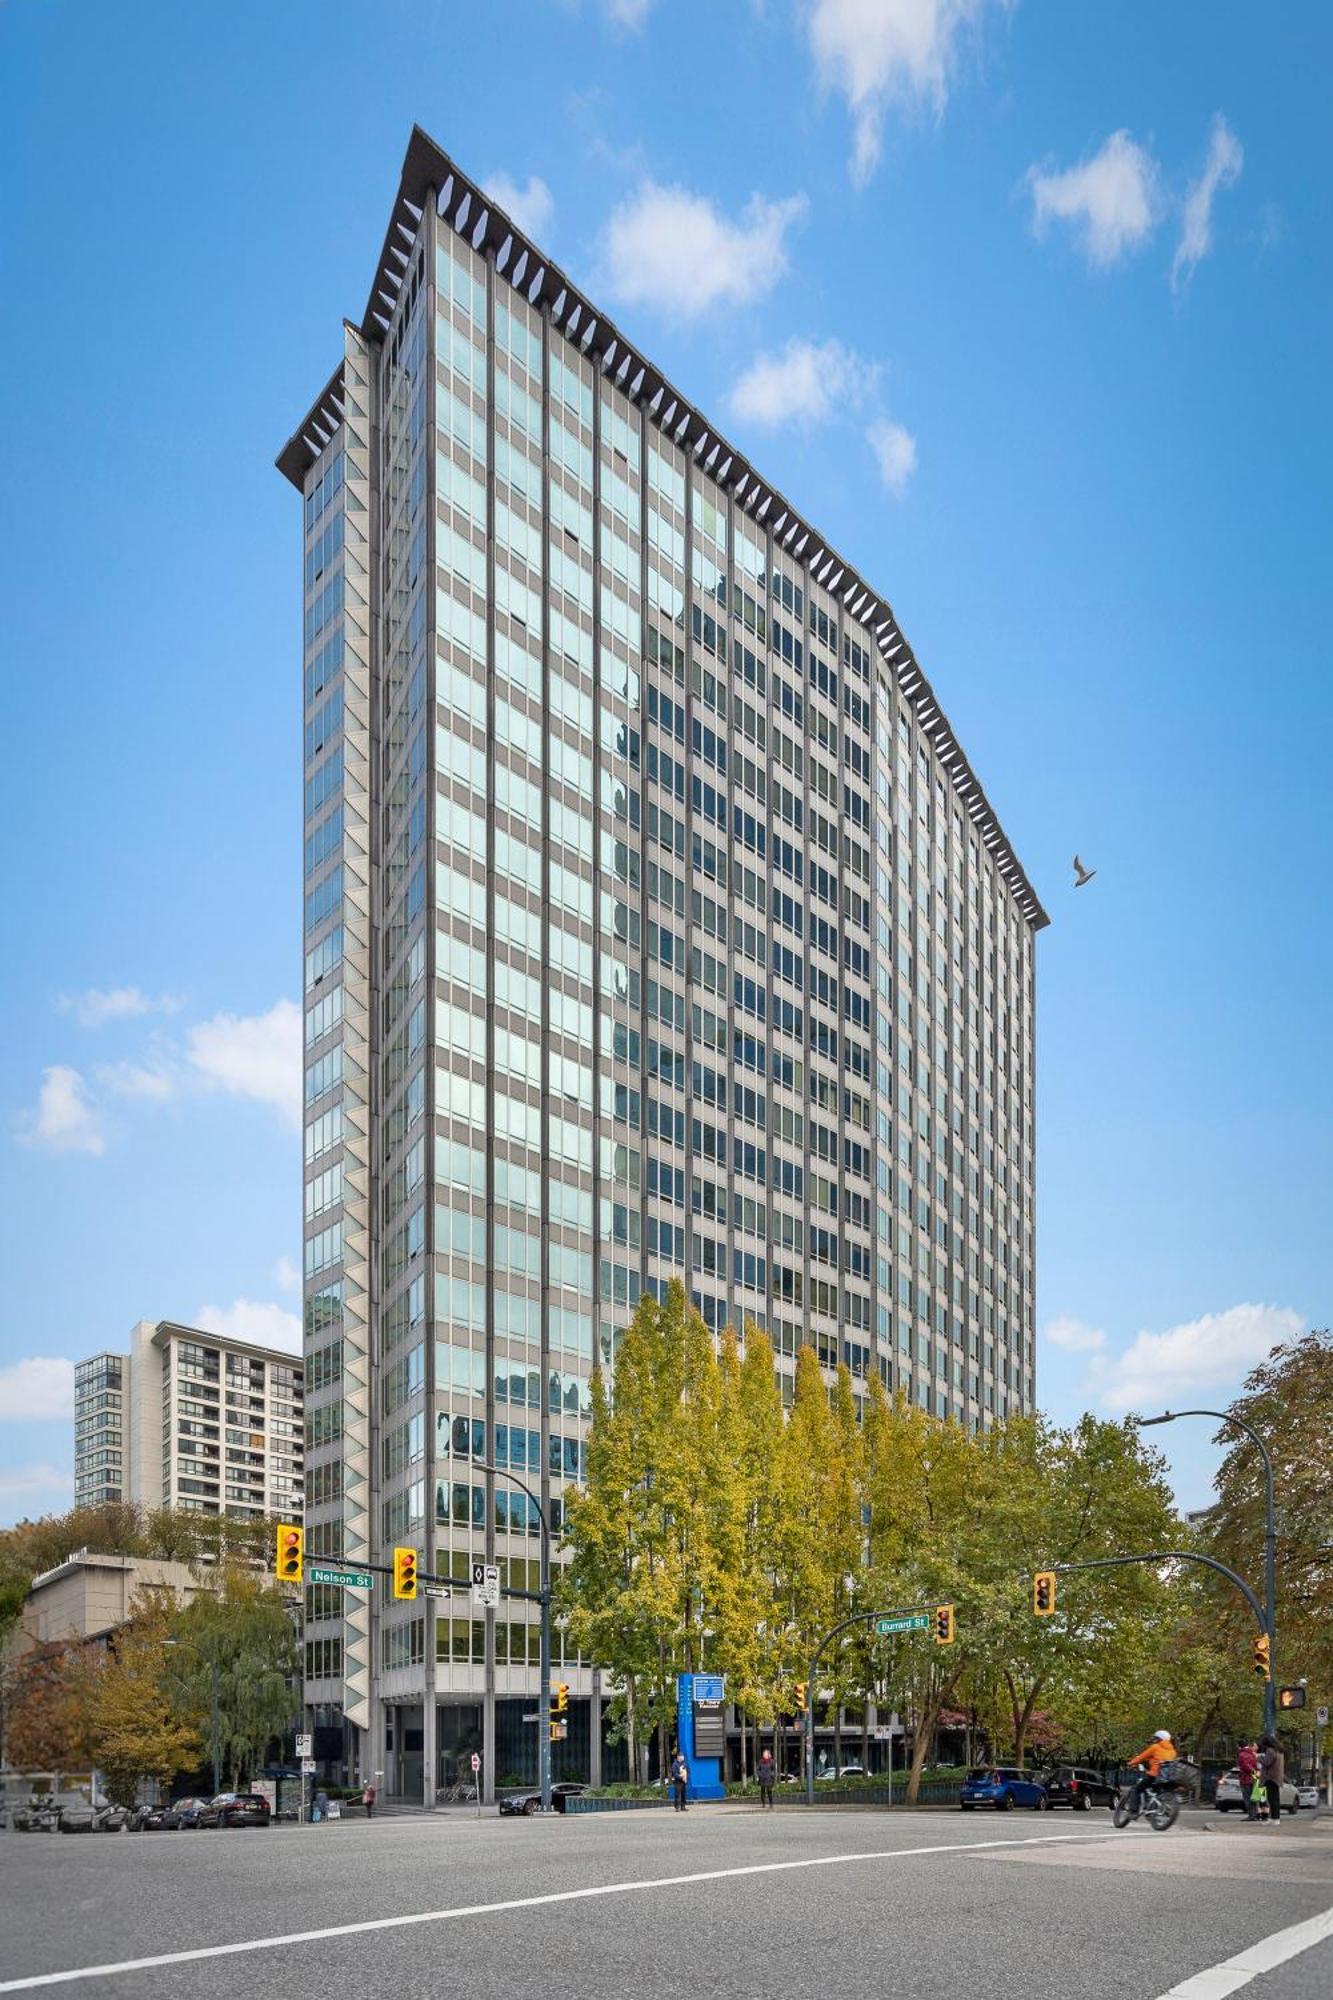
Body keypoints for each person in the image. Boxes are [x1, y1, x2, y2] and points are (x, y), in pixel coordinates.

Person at [1126, 1730, 1178, 1817]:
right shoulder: (1173, 1751)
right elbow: (1159, 1758)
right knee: (1155, 1791)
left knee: (1136, 1789)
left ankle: (1133, 1812)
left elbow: (1142, 1757)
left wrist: (1131, 1763)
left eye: (1155, 1738)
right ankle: (1152, 1808)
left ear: (1159, 1739)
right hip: (1167, 1777)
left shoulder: (1155, 1747)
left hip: (1155, 1774)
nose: (1154, 1740)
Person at [1258, 1736, 1285, 1822]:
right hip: (1277, 1777)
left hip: (1270, 1777)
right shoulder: (1279, 1750)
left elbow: (1266, 1762)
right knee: (1275, 1799)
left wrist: (1259, 1757)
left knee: (1271, 1799)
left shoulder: (1270, 1751)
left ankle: (1274, 1818)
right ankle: (1275, 1818)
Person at [1237, 1741, 1260, 1821]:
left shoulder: (1242, 1754)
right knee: (1254, 1797)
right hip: (1254, 1778)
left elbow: (1245, 1766)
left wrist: (1252, 1771)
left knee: (1247, 1798)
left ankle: (1251, 1815)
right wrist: (1255, 1773)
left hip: (1245, 1778)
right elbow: (1255, 1765)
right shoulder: (1252, 1754)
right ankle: (1256, 1814)